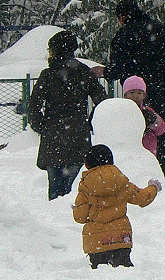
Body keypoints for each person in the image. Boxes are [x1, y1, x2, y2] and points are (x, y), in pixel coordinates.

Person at [92, 0, 165, 175]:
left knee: (136, 145)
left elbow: (119, 68)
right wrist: (159, 73)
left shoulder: (123, 36)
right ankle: (159, 179)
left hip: (136, 100)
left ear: (122, 17)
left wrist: (105, 71)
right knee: (161, 145)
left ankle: (139, 181)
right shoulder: (162, 31)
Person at [27, 30, 107, 200]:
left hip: (53, 138)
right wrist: (89, 122)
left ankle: (56, 218)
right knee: (74, 188)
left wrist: (43, 126)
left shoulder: (47, 75)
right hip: (78, 136)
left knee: (55, 189)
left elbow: (33, 107)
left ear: (55, 50)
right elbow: (102, 101)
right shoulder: (84, 72)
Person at [72, 144, 161, 269]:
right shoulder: (121, 182)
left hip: (96, 241)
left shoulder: (86, 186)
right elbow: (142, 198)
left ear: (88, 164)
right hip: (121, 239)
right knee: (124, 275)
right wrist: (153, 187)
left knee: (100, 278)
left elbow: (80, 217)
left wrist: (76, 209)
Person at [122, 75, 165, 159]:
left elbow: (162, 129)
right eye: (132, 92)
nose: (136, 96)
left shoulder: (148, 112)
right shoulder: (121, 111)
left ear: (144, 96)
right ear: (125, 95)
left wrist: (154, 121)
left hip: (148, 154)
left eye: (139, 93)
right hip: (127, 154)